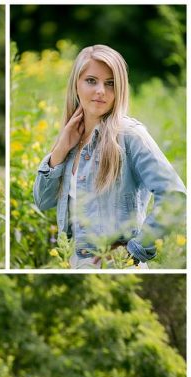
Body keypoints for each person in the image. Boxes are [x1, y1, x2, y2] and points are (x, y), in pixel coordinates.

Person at [33, 44, 186, 269]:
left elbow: (175, 196)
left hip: (118, 267)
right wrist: (60, 150)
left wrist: (134, 249)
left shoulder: (129, 136)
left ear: (120, 90)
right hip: (76, 265)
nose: (100, 91)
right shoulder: (71, 141)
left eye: (110, 83)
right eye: (91, 81)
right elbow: (43, 201)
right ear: (76, 85)